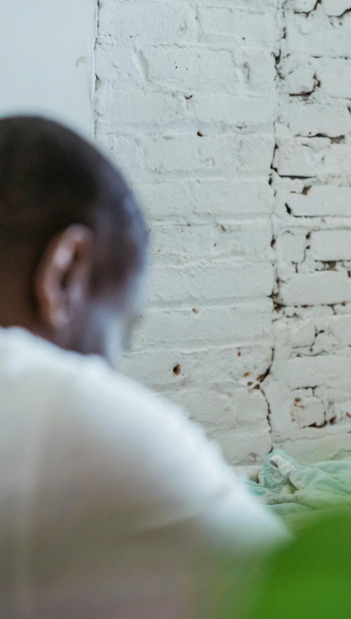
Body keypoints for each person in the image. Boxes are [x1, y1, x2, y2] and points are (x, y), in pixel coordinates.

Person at [0, 116, 287, 617]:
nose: (110, 368)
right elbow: (317, 596)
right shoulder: (58, 407)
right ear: (65, 271)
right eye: (118, 331)